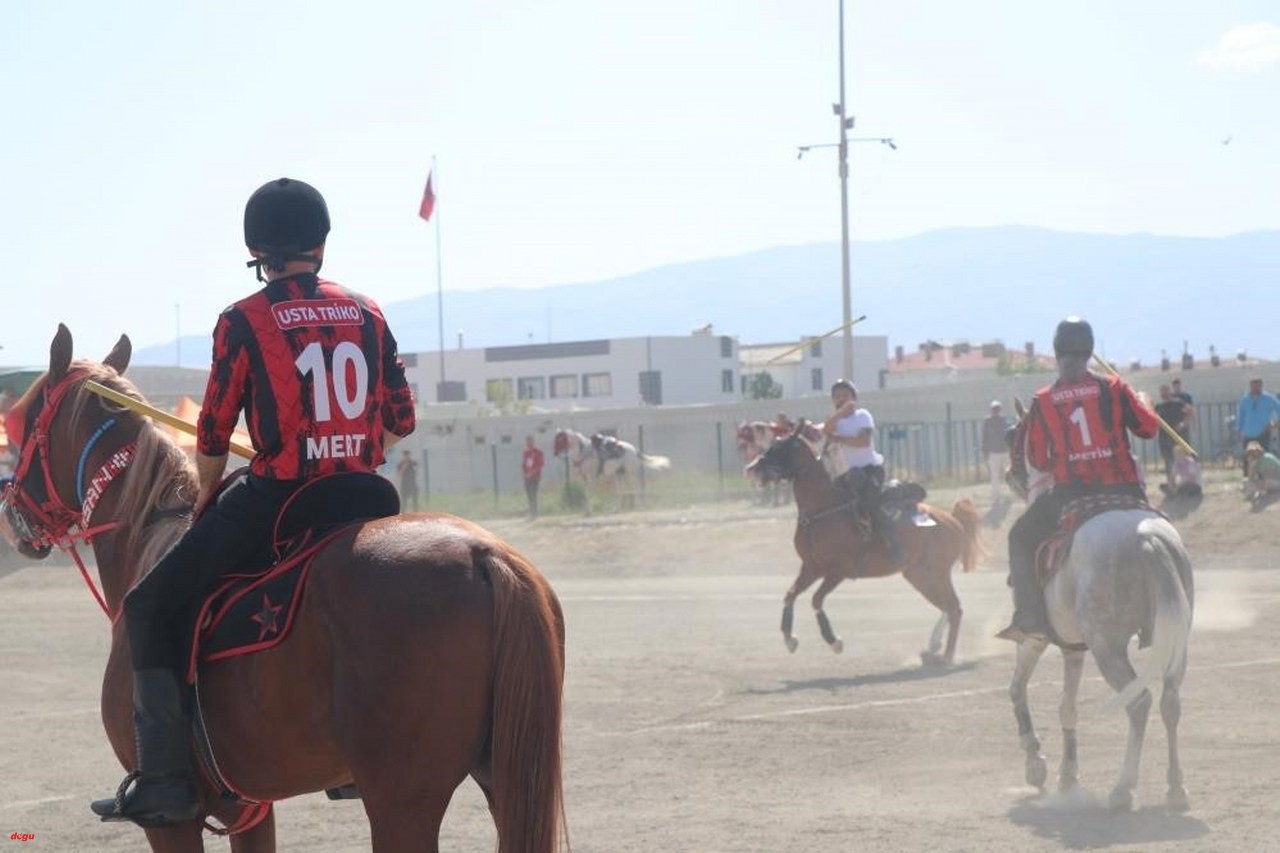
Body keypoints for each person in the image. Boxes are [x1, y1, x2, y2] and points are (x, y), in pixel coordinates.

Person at [90, 178, 416, 826]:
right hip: (367, 498)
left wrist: (209, 489)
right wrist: (354, 450)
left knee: (151, 603)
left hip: (282, 499)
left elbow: (211, 436)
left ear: (257, 250)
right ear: (321, 244)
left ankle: (164, 778)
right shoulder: (368, 311)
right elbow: (401, 419)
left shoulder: (244, 320)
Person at [997, 317, 1159, 644]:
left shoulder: (1043, 400)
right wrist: (1144, 402)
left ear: (1056, 352)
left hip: (1073, 494)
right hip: (1125, 488)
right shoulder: (1114, 387)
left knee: (1020, 536)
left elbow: (1040, 460)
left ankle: (1030, 619)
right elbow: (1149, 429)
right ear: (1089, 351)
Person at [822, 379, 904, 564]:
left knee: (871, 504)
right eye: (837, 396)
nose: (841, 399)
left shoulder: (862, 415)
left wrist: (838, 438)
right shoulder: (835, 420)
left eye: (845, 395)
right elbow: (826, 431)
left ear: (854, 398)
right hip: (849, 474)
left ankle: (894, 545)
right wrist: (839, 415)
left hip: (870, 470)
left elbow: (863, 442)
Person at [1236, 378, 1280, 475]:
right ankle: (1248, 480)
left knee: (1263, 457)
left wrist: (1274, 425)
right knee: (1248, 458)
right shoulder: (1245, 400)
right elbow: (1240, 416)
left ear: (1261, 385)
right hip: (1248, 434)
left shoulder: (1268, 398)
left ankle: (1264, 478)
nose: (1255, 388)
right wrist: (1238, 430)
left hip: (1263, 433)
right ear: (1250, 386)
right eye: (1253, 385)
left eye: (1257, 385)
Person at [1153, 384, 1191, 494]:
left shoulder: (1178, 403)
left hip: (1179, 438)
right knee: (1168, 463)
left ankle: (1185, 486)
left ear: (1170, 392)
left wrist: (1183, 424)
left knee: (1182, 462)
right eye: (1162, 392)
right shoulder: (1158, 407)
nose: (1164, 394)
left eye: (1166, 391)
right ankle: (1171, 487)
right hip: (1164, 439)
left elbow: (1190, 412)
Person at [981, 400, 1009, 502]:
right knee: (995, 475)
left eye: (997, 409)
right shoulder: (987, 422)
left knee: (1008, 474)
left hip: (1005, 451)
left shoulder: (1003, 420)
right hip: (993, 452)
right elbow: (984, 437)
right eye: (994, 409)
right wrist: (985, 452)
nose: (996, 411)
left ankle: (1010, 493)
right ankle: (996, 495)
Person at [522, 435, 545, 519]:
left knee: (533, 493)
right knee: (529, 494)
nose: (528, 443)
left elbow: (540, 464)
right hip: (527, 476)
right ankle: (531, 511)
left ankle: (535, 513)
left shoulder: (538, 452)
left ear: (533, 442)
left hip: (535, 476)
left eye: (530, 441)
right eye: (527, 441)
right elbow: (524, 464)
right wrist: (525, 473)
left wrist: (532, 472)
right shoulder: (526, 453)